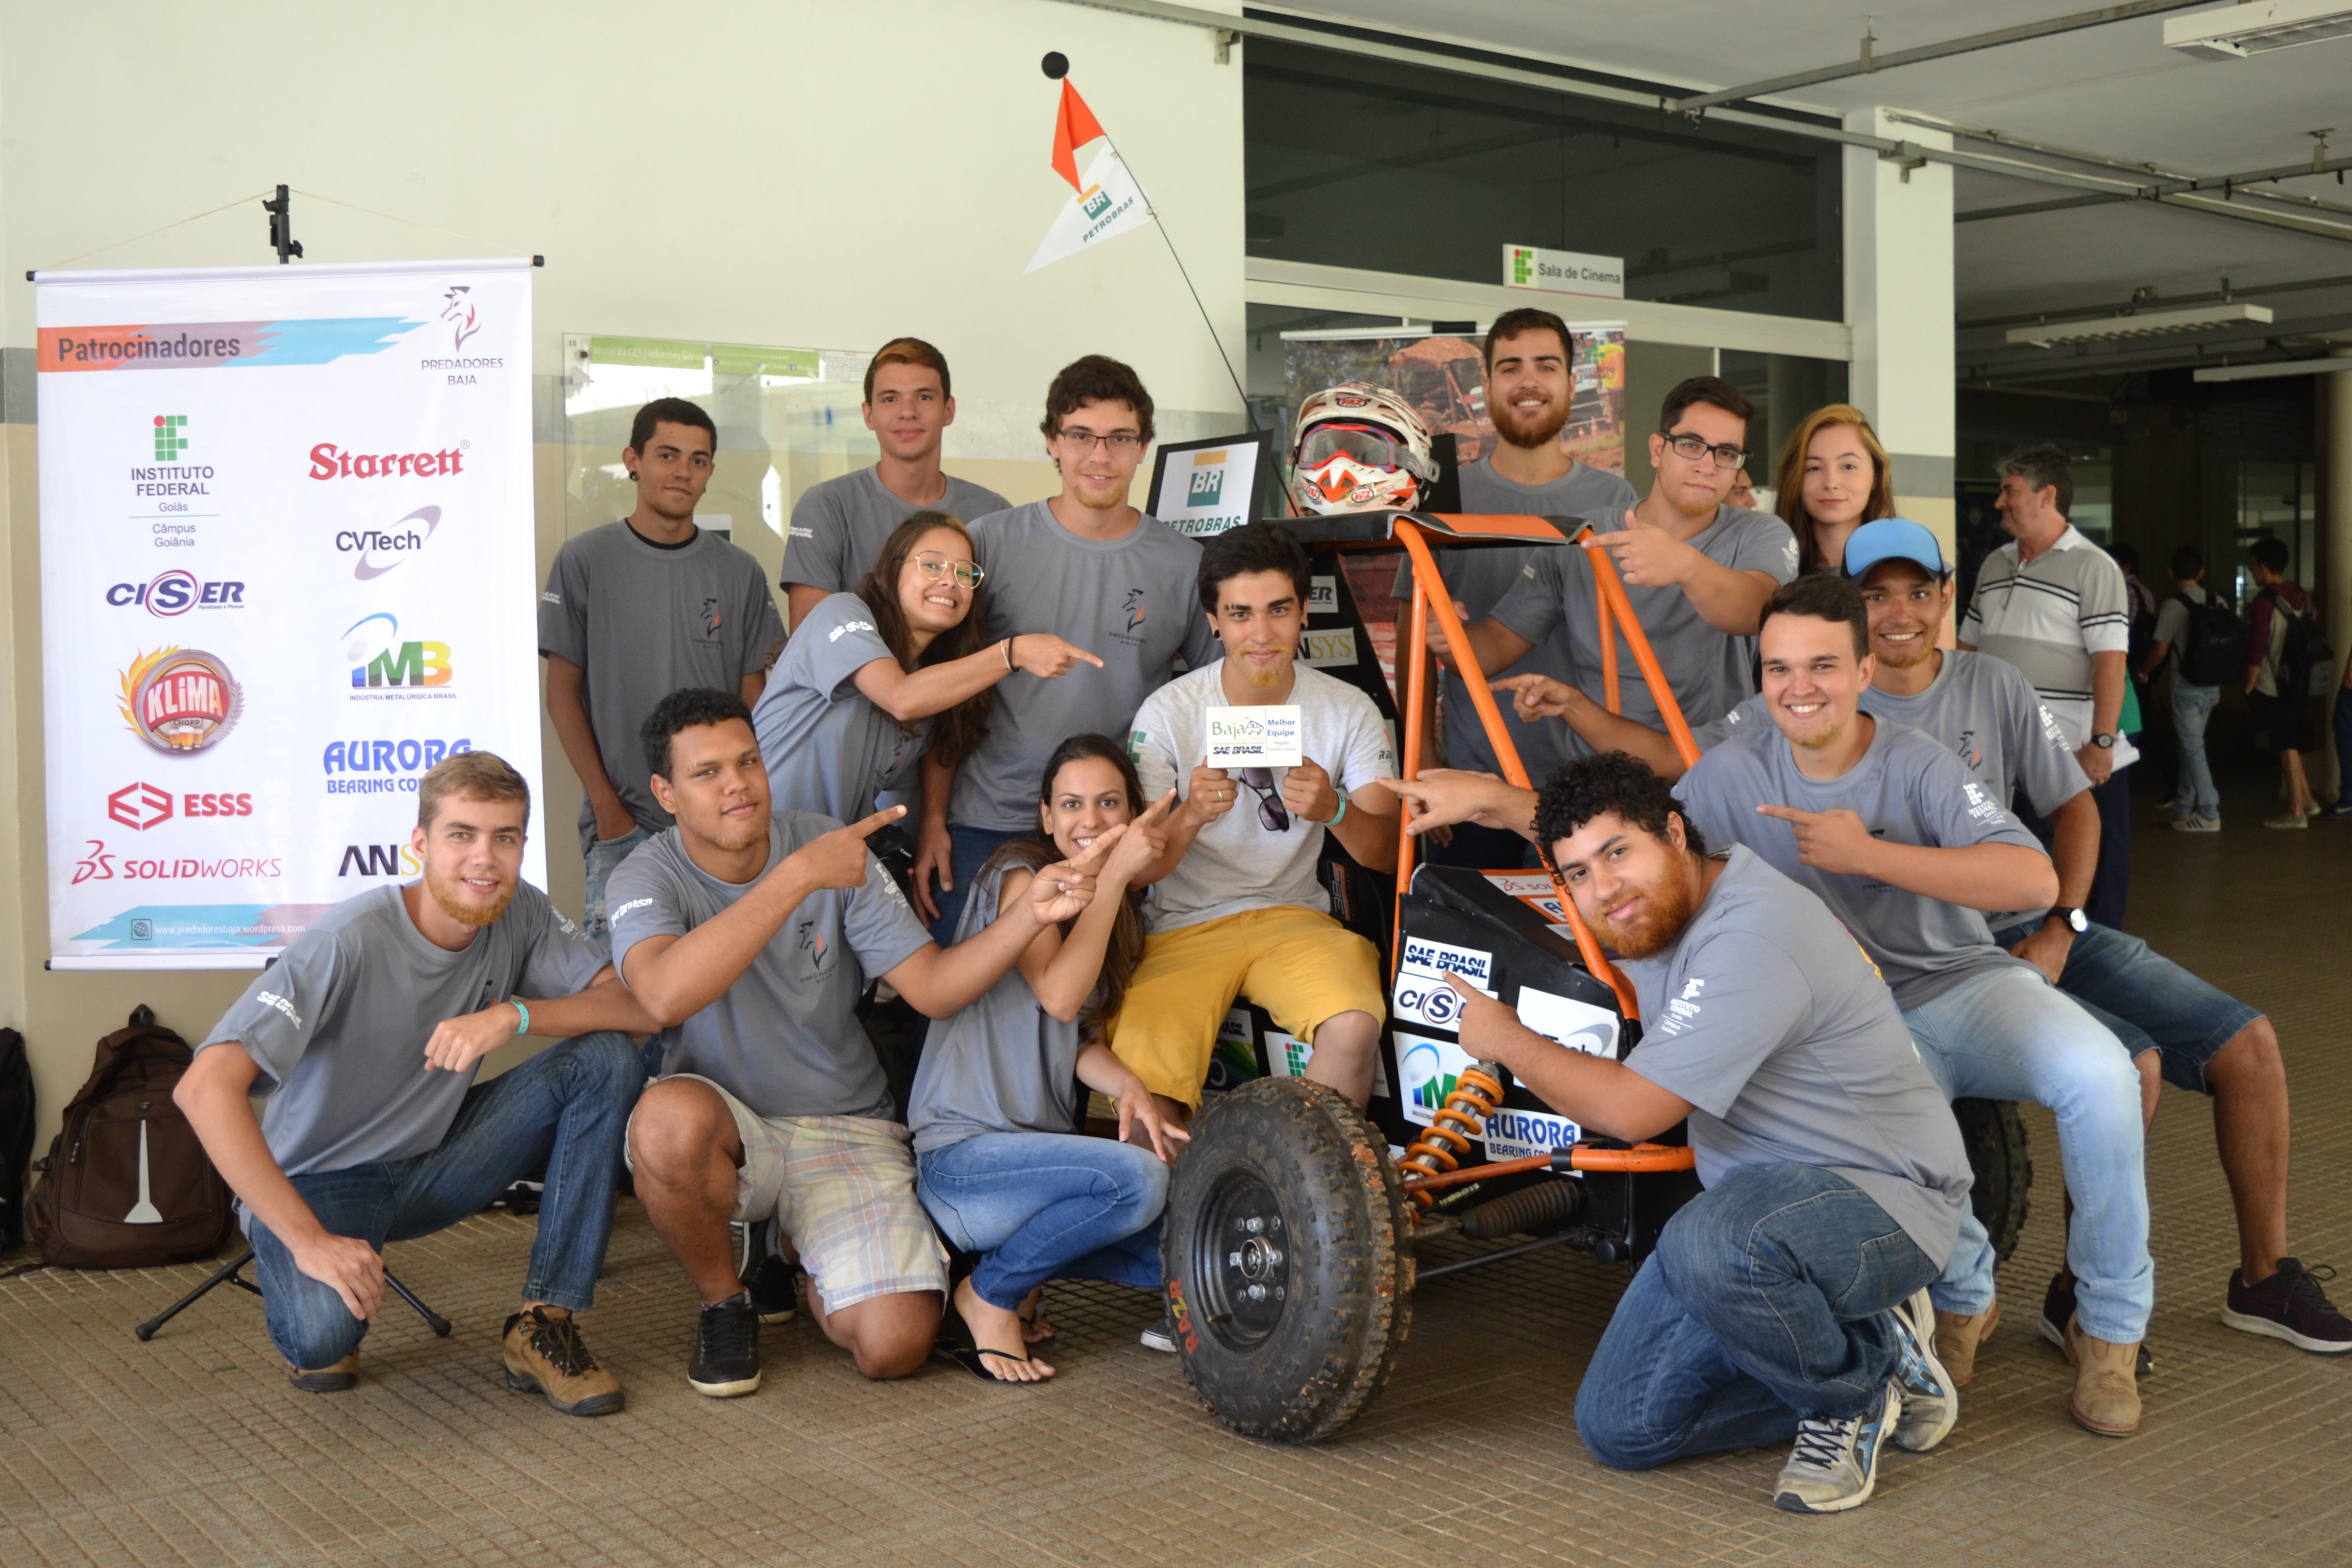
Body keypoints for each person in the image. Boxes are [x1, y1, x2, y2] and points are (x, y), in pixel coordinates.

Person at [1389, 577, 2154, 1437]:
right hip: (1842, 1013)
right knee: (1880, 1128)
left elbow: (2033, 878)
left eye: (1822, 665)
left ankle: (2110, 1330)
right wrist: (1492, 797)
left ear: (1863, 669)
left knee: (2105, 1075)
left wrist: (1872, 854)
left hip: (1958, 981)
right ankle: (1956, 1310)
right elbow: (1627, 841)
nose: (1799, 686)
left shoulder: (1915, 760)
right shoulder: (1734, 772)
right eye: (1779, 668)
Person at [1846, 519, 2348, 1360]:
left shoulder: (1992, 684)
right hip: (1941, 963)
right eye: (1874, 595)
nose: (1897, 612)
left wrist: (2061, 927)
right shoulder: (1829, 703)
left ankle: (2261, 1277)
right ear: (1850, 606)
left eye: (1915, 591)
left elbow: (2074, 807)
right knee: (2134, 1064)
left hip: (2034, 926)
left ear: (1944, 597)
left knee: (2249, 1044)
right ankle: (2080, 1302)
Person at [1434, 754, 1968, 1513]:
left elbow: (1631, 1113)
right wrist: (1490, 797)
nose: (1605, 889)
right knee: (1621, 1428)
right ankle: (1872, 1357)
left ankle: (1842, 1402)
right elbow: (1590, 836)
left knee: (1704, 1241)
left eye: (1619, 856)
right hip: (1758, 1209)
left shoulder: (1751, 933)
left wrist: (1506, 1039)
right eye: (1578, 875)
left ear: (1675, 835)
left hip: (1880, 1202)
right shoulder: (1664, 900)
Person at [608, 688, 1104, 1397]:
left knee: (896, 1346)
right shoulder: (649, 874)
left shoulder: (829, 847)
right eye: (707, 772)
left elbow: (931, 987)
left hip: (843, 1120)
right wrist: (794, 879)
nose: (737, 784)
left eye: (747, 761)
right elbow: (660, 996)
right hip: (729, 1129)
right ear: (667, 793)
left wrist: (1028, 916)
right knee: (664, 1123)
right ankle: (726, 1303)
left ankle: (795, 1250)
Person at [173, 753, 651, 1412]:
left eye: (505, 838)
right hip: (321, 1182)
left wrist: (514, 1017)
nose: (485, 858)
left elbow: (635, 1006)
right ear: (420, 844)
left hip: (438, 1160)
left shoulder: (521, 915)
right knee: (320, 1344)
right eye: (462, 835)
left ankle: (545, 1323)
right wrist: (309, 1243)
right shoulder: (347, 940)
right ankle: (326, 1274)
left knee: (606, 1059)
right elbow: (203, 1088)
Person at [909, 736, 1188, 1383]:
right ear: (1045, 818)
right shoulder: (1020, 878)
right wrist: (1116, 874)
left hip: (1037, 1165)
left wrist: (1130, 1087)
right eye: (1071, 804)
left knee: (1177, 1250)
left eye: (1108, 803)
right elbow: (1060, 998)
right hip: (965, 1163)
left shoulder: (1114, 909)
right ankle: (991, 1294)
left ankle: (1013, 1270)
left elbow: (1078, 1042)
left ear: (1134, 812)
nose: (1089, 820)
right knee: (1136, 1182)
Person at [913, 354, 1218, 944]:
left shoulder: (1185, 564)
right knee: (962, 1007)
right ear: (1053, 442)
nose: (1100, 456)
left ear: (1144, 447)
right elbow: (942, 694)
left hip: (1108, 833)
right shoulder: (987, 544)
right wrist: (933, 821)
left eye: (1119, 438)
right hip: (985, 823)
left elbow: (1213, 699)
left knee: (1085, 1013)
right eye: (1081, 436)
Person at [1114, 522, 1401, 1121]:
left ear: (1303, 614)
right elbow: (1138, 873)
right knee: (1143, 1078)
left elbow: (1387, 854)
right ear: (1214, 621)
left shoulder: (1348, 708)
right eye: (1240, 614)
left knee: (1352, 1027)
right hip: (1181, 926)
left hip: (1296, 918)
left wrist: (1335, 809)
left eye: (1278, 611)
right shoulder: (1169, 713)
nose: (1262, 635)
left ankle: (1302, 1187)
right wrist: (1190, 814)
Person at [1392, 308, 1638, 868]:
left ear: (1571, 383)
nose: (1528, 382)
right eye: (1510, 367)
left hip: (1591, 784)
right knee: (1473, 953)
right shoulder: (1444, 496)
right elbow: (1414, 639)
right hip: (1473, 785)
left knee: (1583, 953)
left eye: (1546, 366)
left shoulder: (1616, 499)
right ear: (1487, 384)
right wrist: (1422, 762)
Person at [1436, 375, 1798, 754]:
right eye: (1691, 445)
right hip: (1602, 782)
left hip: (1716, 775)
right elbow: (1492, 649)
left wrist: (1685, 566)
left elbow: (1762, 611)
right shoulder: (1581, 538)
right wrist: (1448, 636)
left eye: (1726, 453)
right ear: (1658, 449)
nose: (1708, 465)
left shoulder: (1762, 532)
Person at [542, 397, 788, 938]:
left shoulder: (741, 572)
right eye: (668, 455)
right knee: (624, 999)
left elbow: (757, 700)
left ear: (711, 473)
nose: (683, 472)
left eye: (698, 461)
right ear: (633, 460)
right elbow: (561, 693)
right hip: (623, 828)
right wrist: (609, 810)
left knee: (720, 993)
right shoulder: (585, 561)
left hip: (722, 822)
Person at [751, 510, 1099, 822]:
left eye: (966, 574)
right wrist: (1012, 653)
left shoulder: (935, 681)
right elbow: (900, 698)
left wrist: (932, 824)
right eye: (931, 565)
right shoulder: (840, 612)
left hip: (823, 856)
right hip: (756, 839)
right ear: (892, 568)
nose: (950, 581)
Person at [1956, 444, 2132, 926]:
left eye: (2009, 491)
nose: (1999, 502)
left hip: (2071, 748)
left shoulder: (2093, 567)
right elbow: (1966, 651)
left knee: (2091, 857)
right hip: (2003, 746)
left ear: (2046, 495)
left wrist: (2101, 743)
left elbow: (2110, 664)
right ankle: (2030, 941)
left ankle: (2095, 948)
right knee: (2025, 852)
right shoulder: (1994, 564)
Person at [781, 337, 1011, 633]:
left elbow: (1005, 636)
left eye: (924, 397)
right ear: (868, 415)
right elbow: (811, 641)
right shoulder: (826, 506)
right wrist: (896, 682)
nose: (908, 412)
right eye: (890, 399)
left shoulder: (994, 513)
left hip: (967, 680)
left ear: (949, 410)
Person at [2141, 546, 2225, 832]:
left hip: (2185, 687)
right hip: (2211, 686)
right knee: (2192, 748)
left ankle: (2209, 812)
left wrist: (2143, 673)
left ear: (2172, 573)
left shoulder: (2173, 606)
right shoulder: (2219, 602)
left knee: (2193, 749)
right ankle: (2183, 808)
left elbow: (2161, 651)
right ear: (2202, 573)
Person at [1771, 403, 1895, 577]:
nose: (1831, 483)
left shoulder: (1910, 561)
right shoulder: (1770, 568)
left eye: (1848, 466)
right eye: (1814, 468)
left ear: (1877, 476)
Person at [2244, 536, 2318, 829]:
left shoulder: (2264, 601)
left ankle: (2296, 811)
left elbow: (2257, 646)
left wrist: (2249, 683)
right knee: (2292, 743)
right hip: (2300, 679)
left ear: (2263, 567)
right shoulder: (2300, 594)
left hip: (2274, 683)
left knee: (2286, 746)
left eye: (2253, 566)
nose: (2252, 572)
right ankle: (2308, 800)